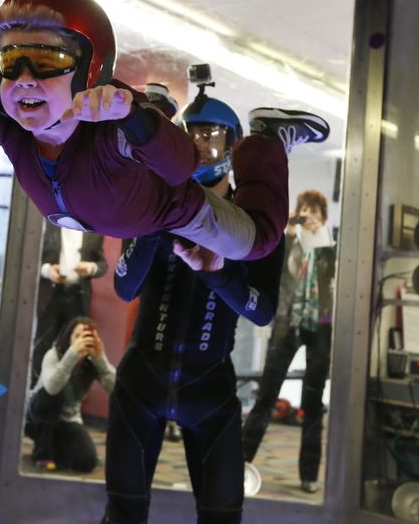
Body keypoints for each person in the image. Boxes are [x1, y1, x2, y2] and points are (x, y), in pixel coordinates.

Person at [0, 0, 330, 264]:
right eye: (11, 59)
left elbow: (181, 165)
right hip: (120, 207)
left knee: (254, 243)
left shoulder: (113, 119)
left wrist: (133, 117)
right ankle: (158, 104)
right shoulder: (3, 118)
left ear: (88, 68)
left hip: (168, 210)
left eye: (46, 60)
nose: (24, 78)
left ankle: (268, 139)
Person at [102, 89, 292, 524]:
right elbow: (125, 287)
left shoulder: (257, 221)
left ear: (233, 145)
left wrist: (219, 273)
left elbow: (262, 311)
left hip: (209, 386)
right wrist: (151, 223)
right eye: (191, 137)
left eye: (212, 138)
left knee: (223, 517)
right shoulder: (150, 201)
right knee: (122, 515)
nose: (201, 148)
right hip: (141, 381)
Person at [241, 189, 336, 494]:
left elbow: (331, 282)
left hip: (320, 325)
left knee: (312, 400)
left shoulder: (329, 249)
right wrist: (291, 234)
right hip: (286, 321)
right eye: (304, 211)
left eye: (314, 212)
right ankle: (240, 463)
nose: (309, 217)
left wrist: (320, 238)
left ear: (323, 217)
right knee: (266, 396)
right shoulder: (288, 243)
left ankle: (309, 474)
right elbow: (277, 275)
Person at [25, 316, 116, 473]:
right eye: (77, 336)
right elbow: (52, 388)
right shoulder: (53, 355)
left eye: (87, 336)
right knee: (53, 398)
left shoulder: (92, 361)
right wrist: (72, 355)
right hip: (38, 416)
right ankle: (42, 454)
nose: (82, 340)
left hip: (68, 421)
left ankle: (56, 447)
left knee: (87, 462)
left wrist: (100, 358)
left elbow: (115, 387)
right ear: (68, 339)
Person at [31, 224, 107, 386]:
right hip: (51, 295)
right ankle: (35, 392)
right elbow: (31, 257)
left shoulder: (93, 229)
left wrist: (91, 268)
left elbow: (102, 265)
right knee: (43, 343)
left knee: (75, 347)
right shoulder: (48, 223)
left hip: (78, 296)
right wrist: (47, 271)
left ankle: (65, 396)